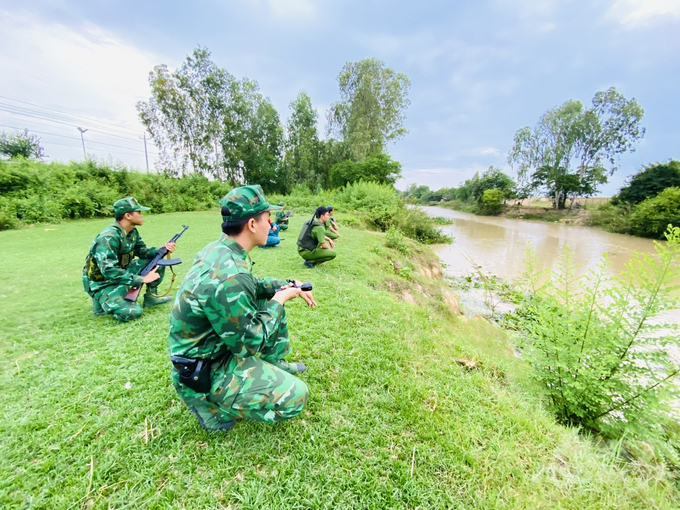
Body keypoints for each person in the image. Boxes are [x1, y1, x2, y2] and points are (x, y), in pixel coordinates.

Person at [168, 185, 315, 432]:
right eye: (268, 218)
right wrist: (279, 300)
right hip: (203, 366)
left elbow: (253, 287)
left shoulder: (221, 249)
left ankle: (273, 363)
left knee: (270, 298)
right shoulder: (230, 275)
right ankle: (205, 402)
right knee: (296, 395)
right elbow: (248, 345)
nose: (271, 224)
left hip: (215, 346)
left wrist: (288, 286)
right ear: (252, 224)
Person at [82, 196, 175, 322]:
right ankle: (101, 298)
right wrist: (141, 279)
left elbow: (142, 252)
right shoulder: (108, 237)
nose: (142, 215)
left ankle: (151, 298)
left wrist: (161, 250)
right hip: (101, 282)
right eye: (139, 212)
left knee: (156, 260)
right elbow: (108, 270)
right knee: (132, 312)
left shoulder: (132, 232)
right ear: (128, 216)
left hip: (121, 272)